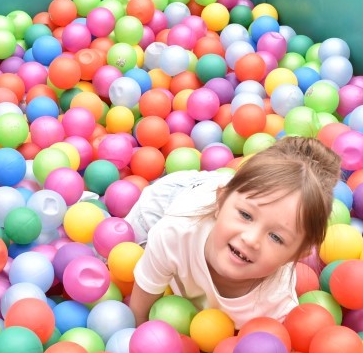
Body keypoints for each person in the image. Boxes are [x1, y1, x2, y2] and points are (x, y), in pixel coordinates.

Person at [126, 136, 342, 329]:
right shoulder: (176, 232)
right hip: (173, 198)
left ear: (297, 255)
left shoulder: (276, 305)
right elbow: (140, 310)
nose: (251, 239)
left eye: (276, 237)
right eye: (246, 216)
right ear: (220, 202)